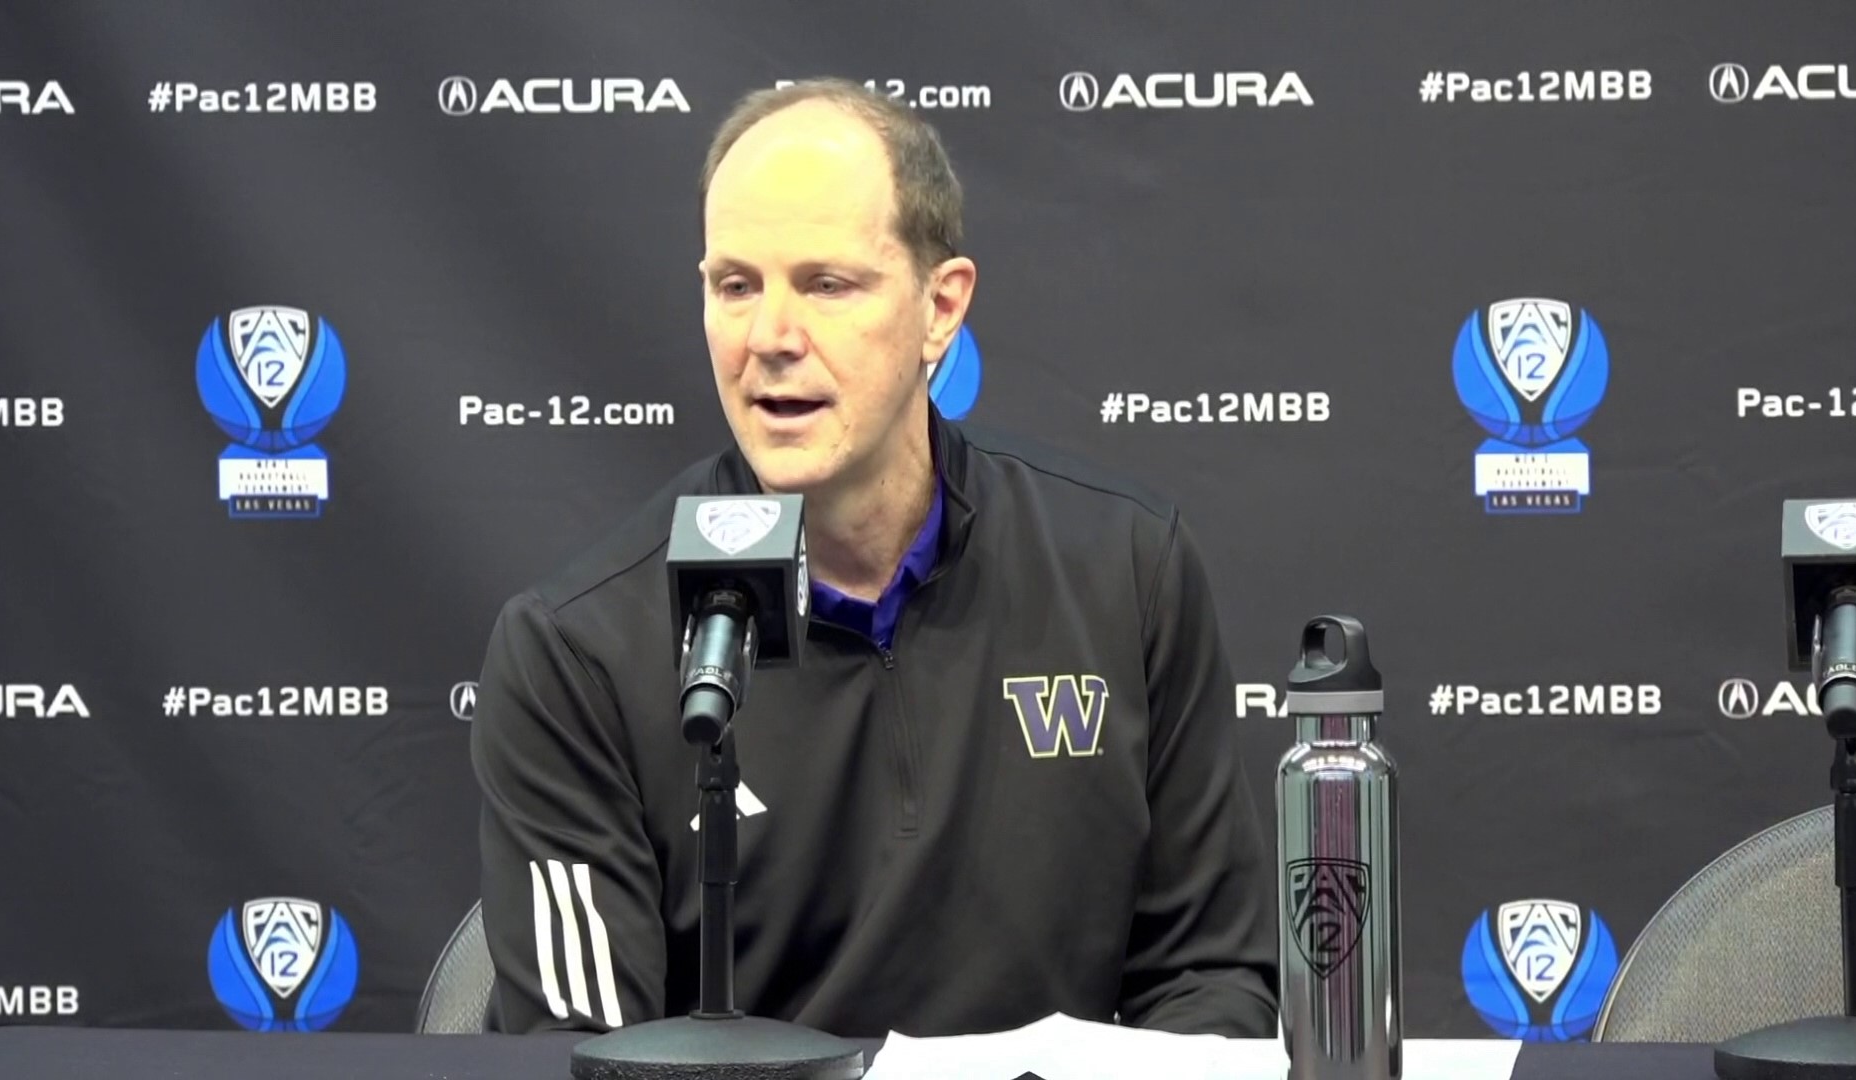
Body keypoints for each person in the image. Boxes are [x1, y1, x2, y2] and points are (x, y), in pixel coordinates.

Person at [470, 77, 1279, 1040]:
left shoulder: (1127, 568)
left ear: (942, 308)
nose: (770, 338)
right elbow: (582, 1061)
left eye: (826, 284)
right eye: (735, 285)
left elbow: (1210, 980)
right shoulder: (577, 651)